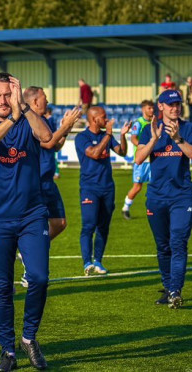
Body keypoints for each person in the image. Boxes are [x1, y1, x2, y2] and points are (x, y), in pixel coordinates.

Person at [0, 73, 52, 372]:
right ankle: (7, 351)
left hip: (32, 214)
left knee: (40, 277)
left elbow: (46, 138)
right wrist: (11, 118)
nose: (4, 101)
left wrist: (26, 110)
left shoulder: (28, 121)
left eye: (8, 94)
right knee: (2, 287)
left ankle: (29, 337)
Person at [135, 89, 192, 308]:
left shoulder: (189, 128)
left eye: (178, 104)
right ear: (160, 107)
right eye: (170, 104)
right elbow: (138, 159)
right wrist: (154, 139)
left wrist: (177, 138)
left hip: (182, 196)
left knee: (178, 243)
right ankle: (167, 288)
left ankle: (175, 290)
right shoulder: (149, 129)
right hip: (156, 196)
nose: (175, 108)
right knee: (163, 246)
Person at [74, 106, 130, 275]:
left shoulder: (107, 135)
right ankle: (87, 263)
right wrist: (108, 134)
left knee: (103, 226)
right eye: (104, 117)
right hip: (90, 188)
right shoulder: (82, 137)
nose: (107, 120)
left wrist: (121, 135)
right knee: (89, 225)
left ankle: (98, 261)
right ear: (94, 119)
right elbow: (95, 153)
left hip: (107, 187)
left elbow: (122, 152)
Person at [24, 87, 82, 241]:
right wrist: (64, 126)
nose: (48, 101)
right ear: (35, 101)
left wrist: (67, 128)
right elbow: (48, 143)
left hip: (48, 182)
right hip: (35, 183)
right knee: (34, 224)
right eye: (45, 97)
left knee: (59, 223)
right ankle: (29, 252)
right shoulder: (29, 121)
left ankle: (28, 252)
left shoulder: (43, 121)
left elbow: (56, 146)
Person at [122, 100, 155, 220]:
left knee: (156, 184)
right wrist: (145, 148)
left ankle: (156, 209)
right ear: (143, 109)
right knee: (137, 187)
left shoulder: (154, 122)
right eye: (149, 108)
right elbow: (133, 138)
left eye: (153, 108)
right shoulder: (139, 123)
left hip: (153, 159)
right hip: (142, 160)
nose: (152, 110)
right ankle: (125, 208)